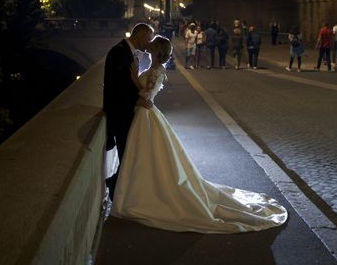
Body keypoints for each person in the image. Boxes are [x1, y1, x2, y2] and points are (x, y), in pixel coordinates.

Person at [111, 35, 288, 233]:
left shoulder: (156, 71)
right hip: (144, 117)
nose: (148, 44)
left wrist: (134, 78)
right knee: (146, 157)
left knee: (146, 157)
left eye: (151, 44)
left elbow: (146, 98)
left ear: (156, 50)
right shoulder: (154, 69)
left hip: (145, 115)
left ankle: (140, 195)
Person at [103, 22, 154, 200]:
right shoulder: (120, 52)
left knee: (129, 152)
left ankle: (118, 186)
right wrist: (137, 99)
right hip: (120, 113)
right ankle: (117, 188)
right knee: (127, 152)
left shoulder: (126, 51)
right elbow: (118, 87)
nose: (150, 42)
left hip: (125, 111)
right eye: (148, 38)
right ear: (139, 35)